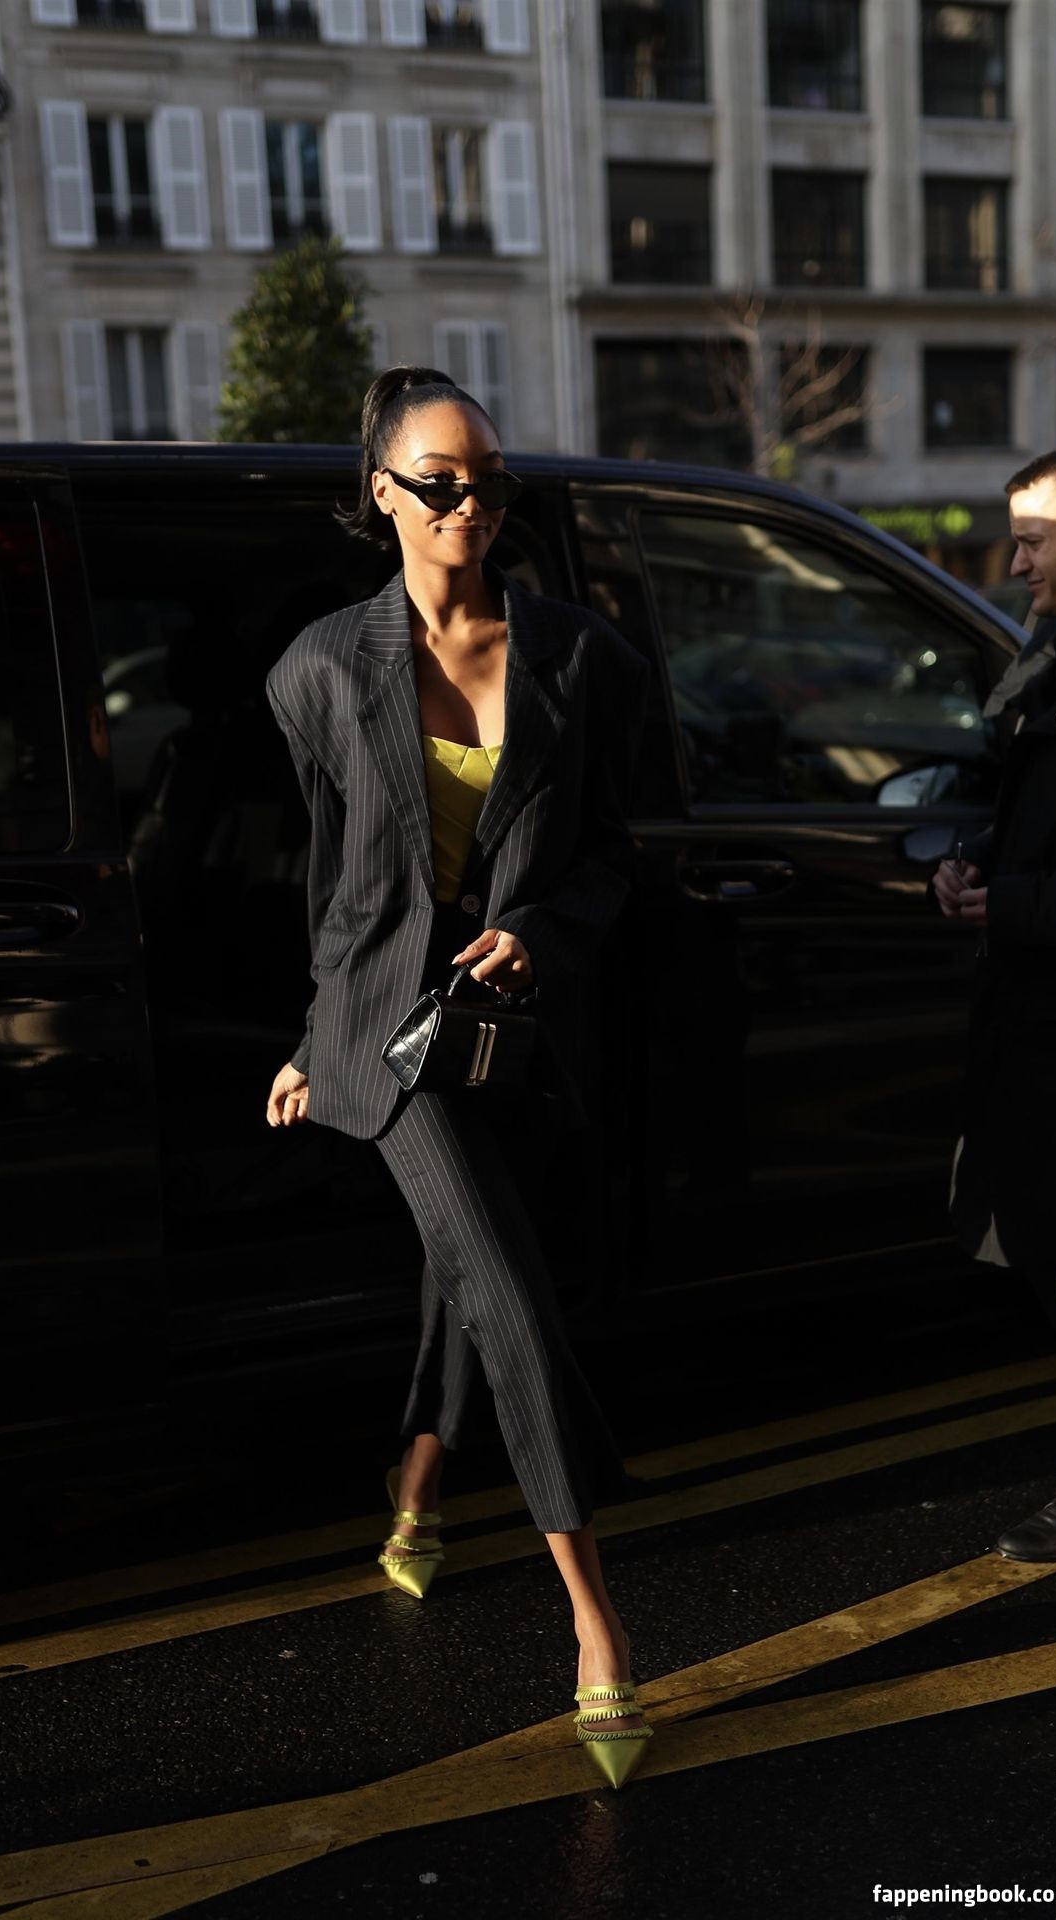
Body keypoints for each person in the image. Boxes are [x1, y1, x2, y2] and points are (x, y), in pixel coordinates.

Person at [263, 365, 654, 1787]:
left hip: (519, 1031)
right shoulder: (319, 669)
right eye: (437, 482)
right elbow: (331, 887)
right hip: (388, 1039)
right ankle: (598, 1625)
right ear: (381, 492)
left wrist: (544, 929)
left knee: (457, 1275)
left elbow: (612, 853)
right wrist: (314, 1039)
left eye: (488, 479)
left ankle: (418, 1488)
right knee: (506, 1291)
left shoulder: (580, 658)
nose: (467, 504)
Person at [934, 443, 1056, 1562]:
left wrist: (1019, 904)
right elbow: (1013, 801)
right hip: (1033, 1020)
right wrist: (968, 870)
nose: (1016, 560)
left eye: (1035, 540)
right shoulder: (1047, 657)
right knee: (1046, 1250)